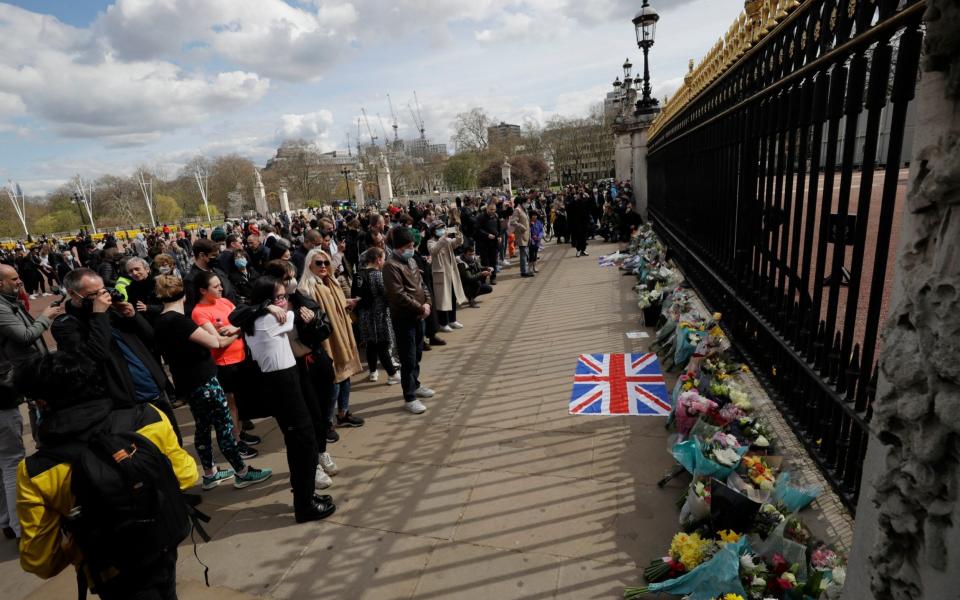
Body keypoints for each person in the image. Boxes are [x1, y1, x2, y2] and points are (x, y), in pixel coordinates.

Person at [15, 352, 198, 599]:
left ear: (42, 403)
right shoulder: (148, 417)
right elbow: (187, 475)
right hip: (162, 545)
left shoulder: (35, 471)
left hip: (110, 574)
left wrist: (76, 544)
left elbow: (40, 561)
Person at [153, 274, 270, 490]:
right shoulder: (179, 321)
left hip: (186, 381)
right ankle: (242, 472)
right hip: (203, 380)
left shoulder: (160, 320)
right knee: (224, 426)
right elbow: (216, 342)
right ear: (184, 294)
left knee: (203, 427)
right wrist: (239, 331)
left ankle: (209, 473)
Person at [245, 276, 336, 522]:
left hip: (284, 380)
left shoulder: (256, 316)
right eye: (279, 297)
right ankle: (304, 505)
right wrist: (272, 307)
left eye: (284, 296)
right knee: (302, 443)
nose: (284, 302)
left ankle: (306, 495)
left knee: (300, 443)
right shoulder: (266, 319)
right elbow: (297, 311)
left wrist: (267, 305)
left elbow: (240, 314)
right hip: (281, 384)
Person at [52, 268, 182, 439]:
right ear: (73, 294)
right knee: (148, 457)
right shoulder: (66, 325)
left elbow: (151, 338)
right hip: (125, 404)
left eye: (103, 291)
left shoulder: (111, 311)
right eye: (94, 294)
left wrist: (133, 316)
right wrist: (98, 315)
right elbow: (97, 355)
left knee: (175, 446)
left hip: (155, 393)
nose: (102, 297)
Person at [0, 265, 63, 541]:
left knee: (5, 461)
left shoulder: (9, 303)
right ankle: (23, 526)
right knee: (12, 461)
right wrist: (46, 317)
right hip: (4, 396)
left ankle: (9, 522)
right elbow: (25, 336)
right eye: (13, 279)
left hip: (10, 390)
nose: (19, 281)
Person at [190, 271, 260, 458]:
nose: (221, 288)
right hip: (224, 364)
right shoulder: (199, 312)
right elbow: (218, 341)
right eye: (216, 286)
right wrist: (238, 331)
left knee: (240, 402)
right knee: (231, 405)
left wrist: (234, 330)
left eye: (220, 284)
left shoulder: (225, 302)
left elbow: (243, 318)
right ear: (203, 290)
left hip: (241, 357)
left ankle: (239, 434)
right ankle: (235, 443)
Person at [298, 249, 364, 429]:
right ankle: (326, 422)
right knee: (333, 381)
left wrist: (346, 303)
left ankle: (343, 413)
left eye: (326, 263)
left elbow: (336, 305)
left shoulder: (332, 281)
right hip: (327, 340)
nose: (323, 266)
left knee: (346, 375)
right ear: (309, 264)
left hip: (342, 334)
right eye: (318, 263)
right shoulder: (306, 287)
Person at [382, 227, 434, 414]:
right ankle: (409, 396)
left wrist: (427, 303)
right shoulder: (390, 266)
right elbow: (398, 295)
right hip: (404, 318)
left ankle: (416, 383)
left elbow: (421, 285)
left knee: (417, 353)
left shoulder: (411, 260)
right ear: (400, 247)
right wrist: (419, 307)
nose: (412, 249)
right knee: (408, 357)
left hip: (420, 315)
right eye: (409, 246)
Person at [354, 247, 400, 385]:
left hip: (365, 316)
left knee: (371, 345)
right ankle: (392, 374)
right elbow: (387, 295)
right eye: (384, 259)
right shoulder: (377, 275)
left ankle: (373, 372)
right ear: (378, 260)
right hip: (379, 317)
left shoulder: (359, 274)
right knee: (383, 345)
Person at [427, 221, 466, 330]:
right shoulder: (430, 241)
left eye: (443, 228)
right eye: (439, 229)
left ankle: (453, 320)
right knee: (443, 299)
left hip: (451, 272)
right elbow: (434, 251)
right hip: (441, 274)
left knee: (452, 296)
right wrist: (443, 238)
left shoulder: (447, 240)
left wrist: (458, 233)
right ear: (434, 231)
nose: (442, 230)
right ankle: (443, 323)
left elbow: (458, 242)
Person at [184, 238, 236, 314]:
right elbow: (192, 310)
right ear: (202, 255)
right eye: (214, 255)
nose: (217, 258)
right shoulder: (191, 280)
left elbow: (232, 292)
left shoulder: (218, 270)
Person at [474, 202, 501, 285]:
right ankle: (483, 279)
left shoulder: (496, 216)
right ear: (487, 209)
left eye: (494, 209)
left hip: (494, 243)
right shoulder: (481, 217)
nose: (493, 211)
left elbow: (499, 228)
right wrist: (487, 235)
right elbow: (477, 229)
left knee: (494, 261)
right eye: (491, 209)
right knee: (485, 262)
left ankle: (493, 277)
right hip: (484, 243)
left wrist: (499, 236)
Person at [512, 202, 533, 278]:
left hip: (526, 235)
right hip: (521, 235)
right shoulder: (518, 210)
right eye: (527, 202)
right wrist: (522, 227)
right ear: (523, 202)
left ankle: (525, 270)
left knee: (525, 253)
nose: (528, 204)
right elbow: (513, 222)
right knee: (523, 254)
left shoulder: (524, 210)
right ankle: (524, 272)